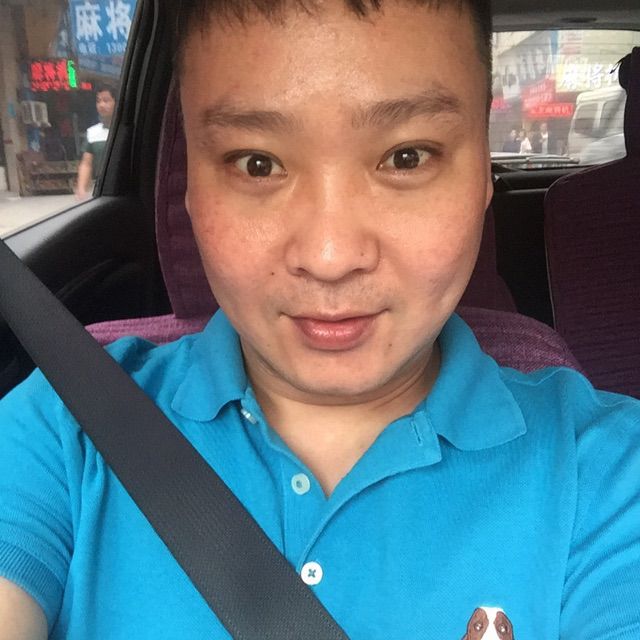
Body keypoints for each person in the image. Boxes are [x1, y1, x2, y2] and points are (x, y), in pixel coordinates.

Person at [1, 0, 639, 638]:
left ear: (482, 178)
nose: (330, 257)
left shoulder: (609, 471)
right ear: (188, 187)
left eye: (407, 157)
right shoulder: (64, 425)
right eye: (257, 163)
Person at [75, 83, 117, 200]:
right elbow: (86, 163)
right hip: (101, 189)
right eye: (98, 101)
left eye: (106, 100)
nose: (101, 105)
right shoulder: (92, 133)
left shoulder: (127, 130)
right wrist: (81, 188)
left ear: (117, 102)